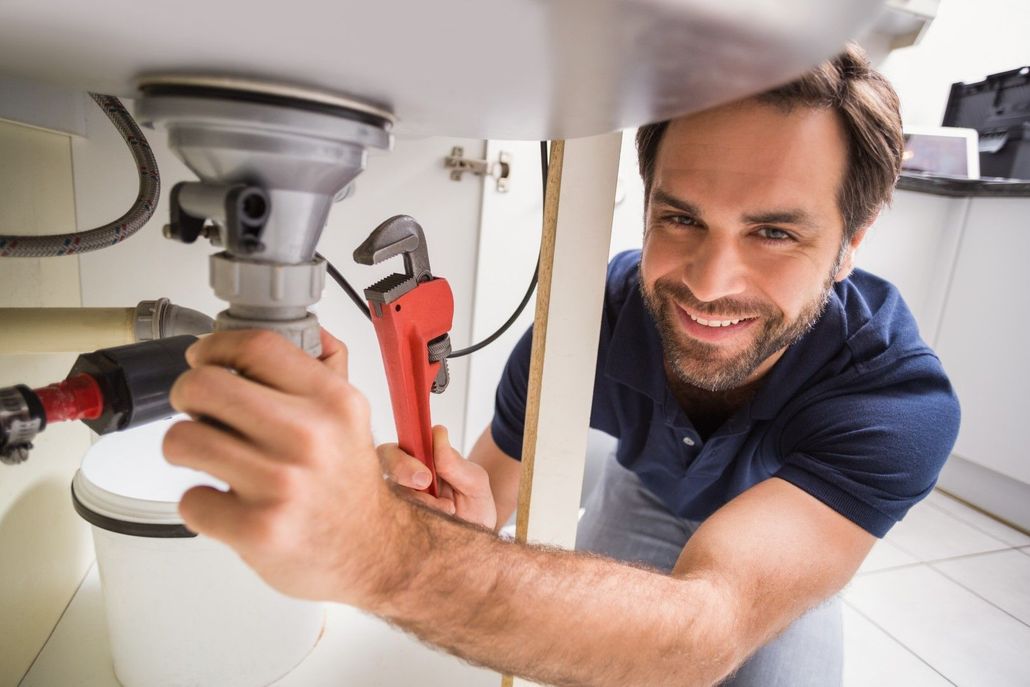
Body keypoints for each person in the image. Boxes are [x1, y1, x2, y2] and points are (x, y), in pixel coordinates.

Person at [163, 43, 960, 687]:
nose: (710, 284)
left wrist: (379, 551)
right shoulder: (597, 316)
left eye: (775, 233)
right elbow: (487, 491)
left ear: (852, 242)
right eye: (680, 217)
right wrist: (445, 519)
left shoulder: (897, 400)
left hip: (782, 527)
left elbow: (705, 629)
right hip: (645, 484)